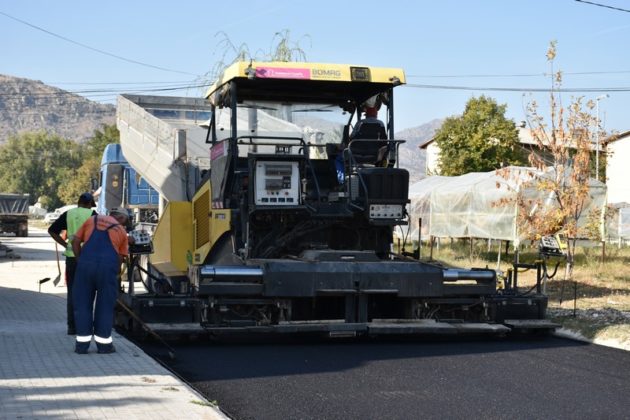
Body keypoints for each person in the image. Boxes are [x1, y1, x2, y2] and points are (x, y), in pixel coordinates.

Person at [71, 208, 130, 354]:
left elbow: (75, 241)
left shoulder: (92, 220)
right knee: (105, 307)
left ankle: (81, 346)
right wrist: (115, 274)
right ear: (121, 218)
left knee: (82, 305)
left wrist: (80, 260)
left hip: (85, 267)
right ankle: (104, 346)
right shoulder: (121, 231)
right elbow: (120, 258)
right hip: (107, 269)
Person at [48, 192, 97, 335]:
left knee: (72, 293)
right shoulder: (93, 215)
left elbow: (52, 231)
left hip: (71, 258)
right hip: (88, 258)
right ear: (89, 204)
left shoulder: (68, 214)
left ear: (78, 203)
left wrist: (65, 244)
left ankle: (72, 326)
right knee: (88, 292)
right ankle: (86, 326)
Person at [335, 96, 386, 184]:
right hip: (374, 156)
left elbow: (352, 137)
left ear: (366, 115)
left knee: (338, 159)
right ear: (376, 115)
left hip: (356, 156)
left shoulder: (360, 123)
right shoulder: (381, 124)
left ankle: (342, 182)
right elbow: (384, 140)